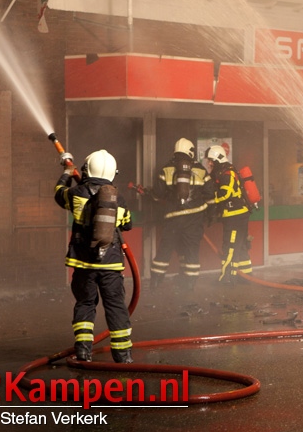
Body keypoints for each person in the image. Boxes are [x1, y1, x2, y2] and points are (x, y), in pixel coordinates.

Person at [54, 149, 133, 363]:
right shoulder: (119, 199)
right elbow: (128, 224)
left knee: (85, 303)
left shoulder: (76, 193)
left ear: (87, 169)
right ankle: (123, 355)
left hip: (83, 264)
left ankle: (83, 351)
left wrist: (67, 172)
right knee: (115, 306)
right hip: (111, 265)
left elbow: (59, 193)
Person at [149, 138, 214, 291]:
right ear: (191, 151)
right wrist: (210, 214)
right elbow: (210, 195)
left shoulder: (166, 169)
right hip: (194, 218)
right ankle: (189, 284)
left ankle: (156, 281)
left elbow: (157, 195)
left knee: (165, 249)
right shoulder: (200, 170)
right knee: (191, 250)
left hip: (173, 218)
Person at [205, 145, 252, 281]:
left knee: (230, 247)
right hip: (236, 215)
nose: (209, 163)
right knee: (240, 246)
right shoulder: (221, 173)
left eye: (211, 160)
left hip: (235, 217)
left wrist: (208, 199)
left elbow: (225, 194)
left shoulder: (228, 173)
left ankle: (227, 278)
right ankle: (246, 277)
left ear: (218, 159)